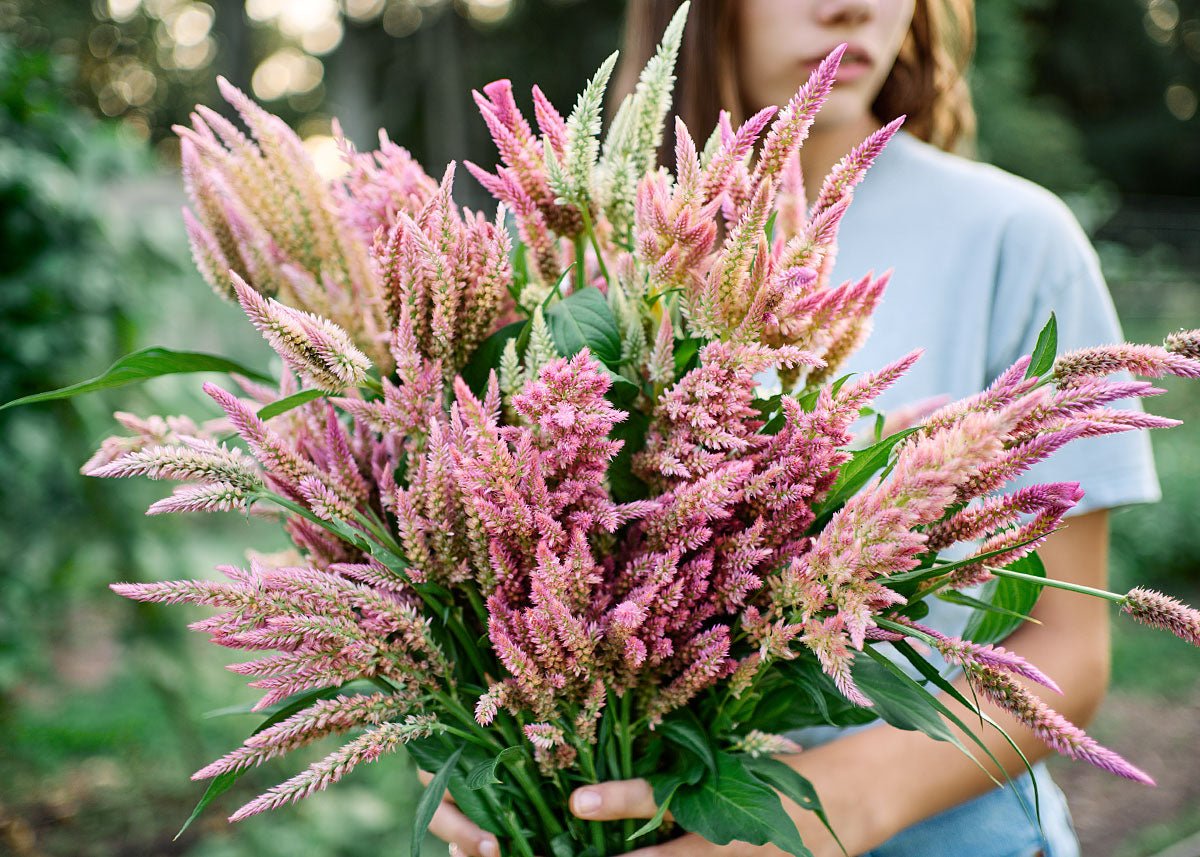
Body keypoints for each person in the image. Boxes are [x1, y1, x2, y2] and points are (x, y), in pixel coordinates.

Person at [428, 2, 1161, 855]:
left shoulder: (1016, 237)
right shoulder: (571, 248)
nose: (850, 5)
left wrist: (809, 819)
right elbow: (469, 575)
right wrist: (467, 768)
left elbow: (1067, 647)